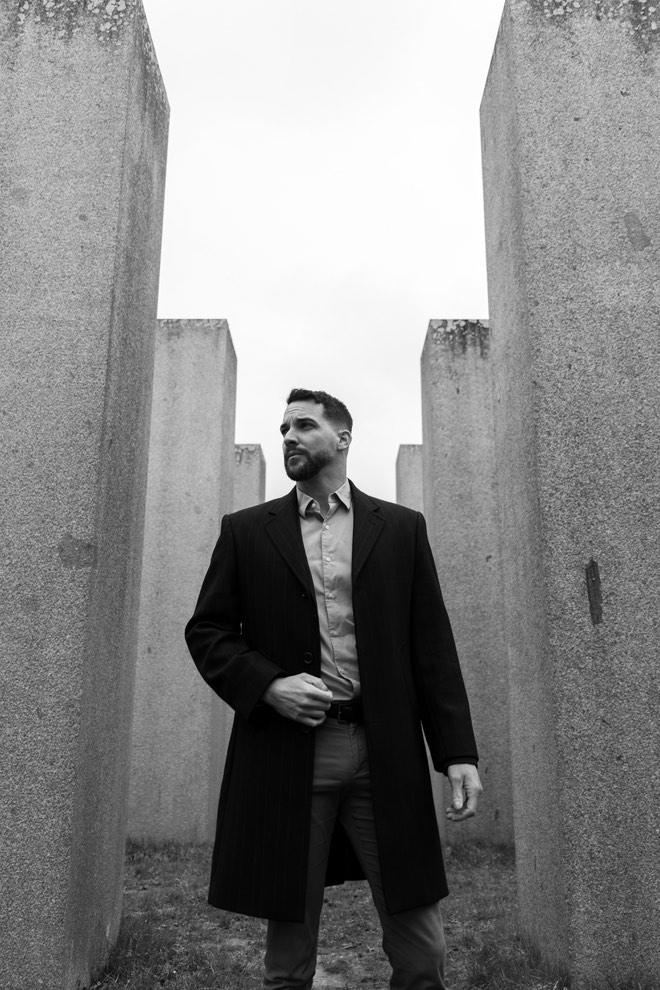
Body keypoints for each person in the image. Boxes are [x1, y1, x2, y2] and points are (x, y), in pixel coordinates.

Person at [185, 387, 482, 990]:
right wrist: (270, 685)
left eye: (303, 425)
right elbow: (208, 631)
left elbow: (432, 647)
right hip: (291, 752)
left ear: (342, 438)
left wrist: (457, 753)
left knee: (422, 949)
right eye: (283, 429)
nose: (289, 437)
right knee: (288, 957)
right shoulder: (246, 531)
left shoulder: (400, 529)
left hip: (385, 750)